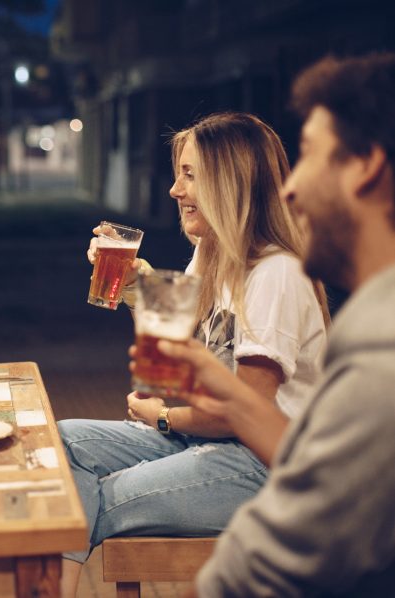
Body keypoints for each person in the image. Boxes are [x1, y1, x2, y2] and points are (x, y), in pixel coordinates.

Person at [152, 52, 395, 597]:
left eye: (309, 156)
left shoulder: (381, 350)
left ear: (365, 167)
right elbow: (311, 462)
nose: (288, 188)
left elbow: (283, 546)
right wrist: (228, 398)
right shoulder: (370, 320)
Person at [58, 112, 330, 596]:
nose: (174, 191)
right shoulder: (212, 255)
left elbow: (245, 413)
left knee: (89, 499)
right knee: (64, 443)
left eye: (190, 175)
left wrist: (164, 416)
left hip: (262, 466)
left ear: (231, 183)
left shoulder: (276, 275)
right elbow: (180, 340)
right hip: (204, 441)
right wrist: (136, 285)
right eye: (178, 173)